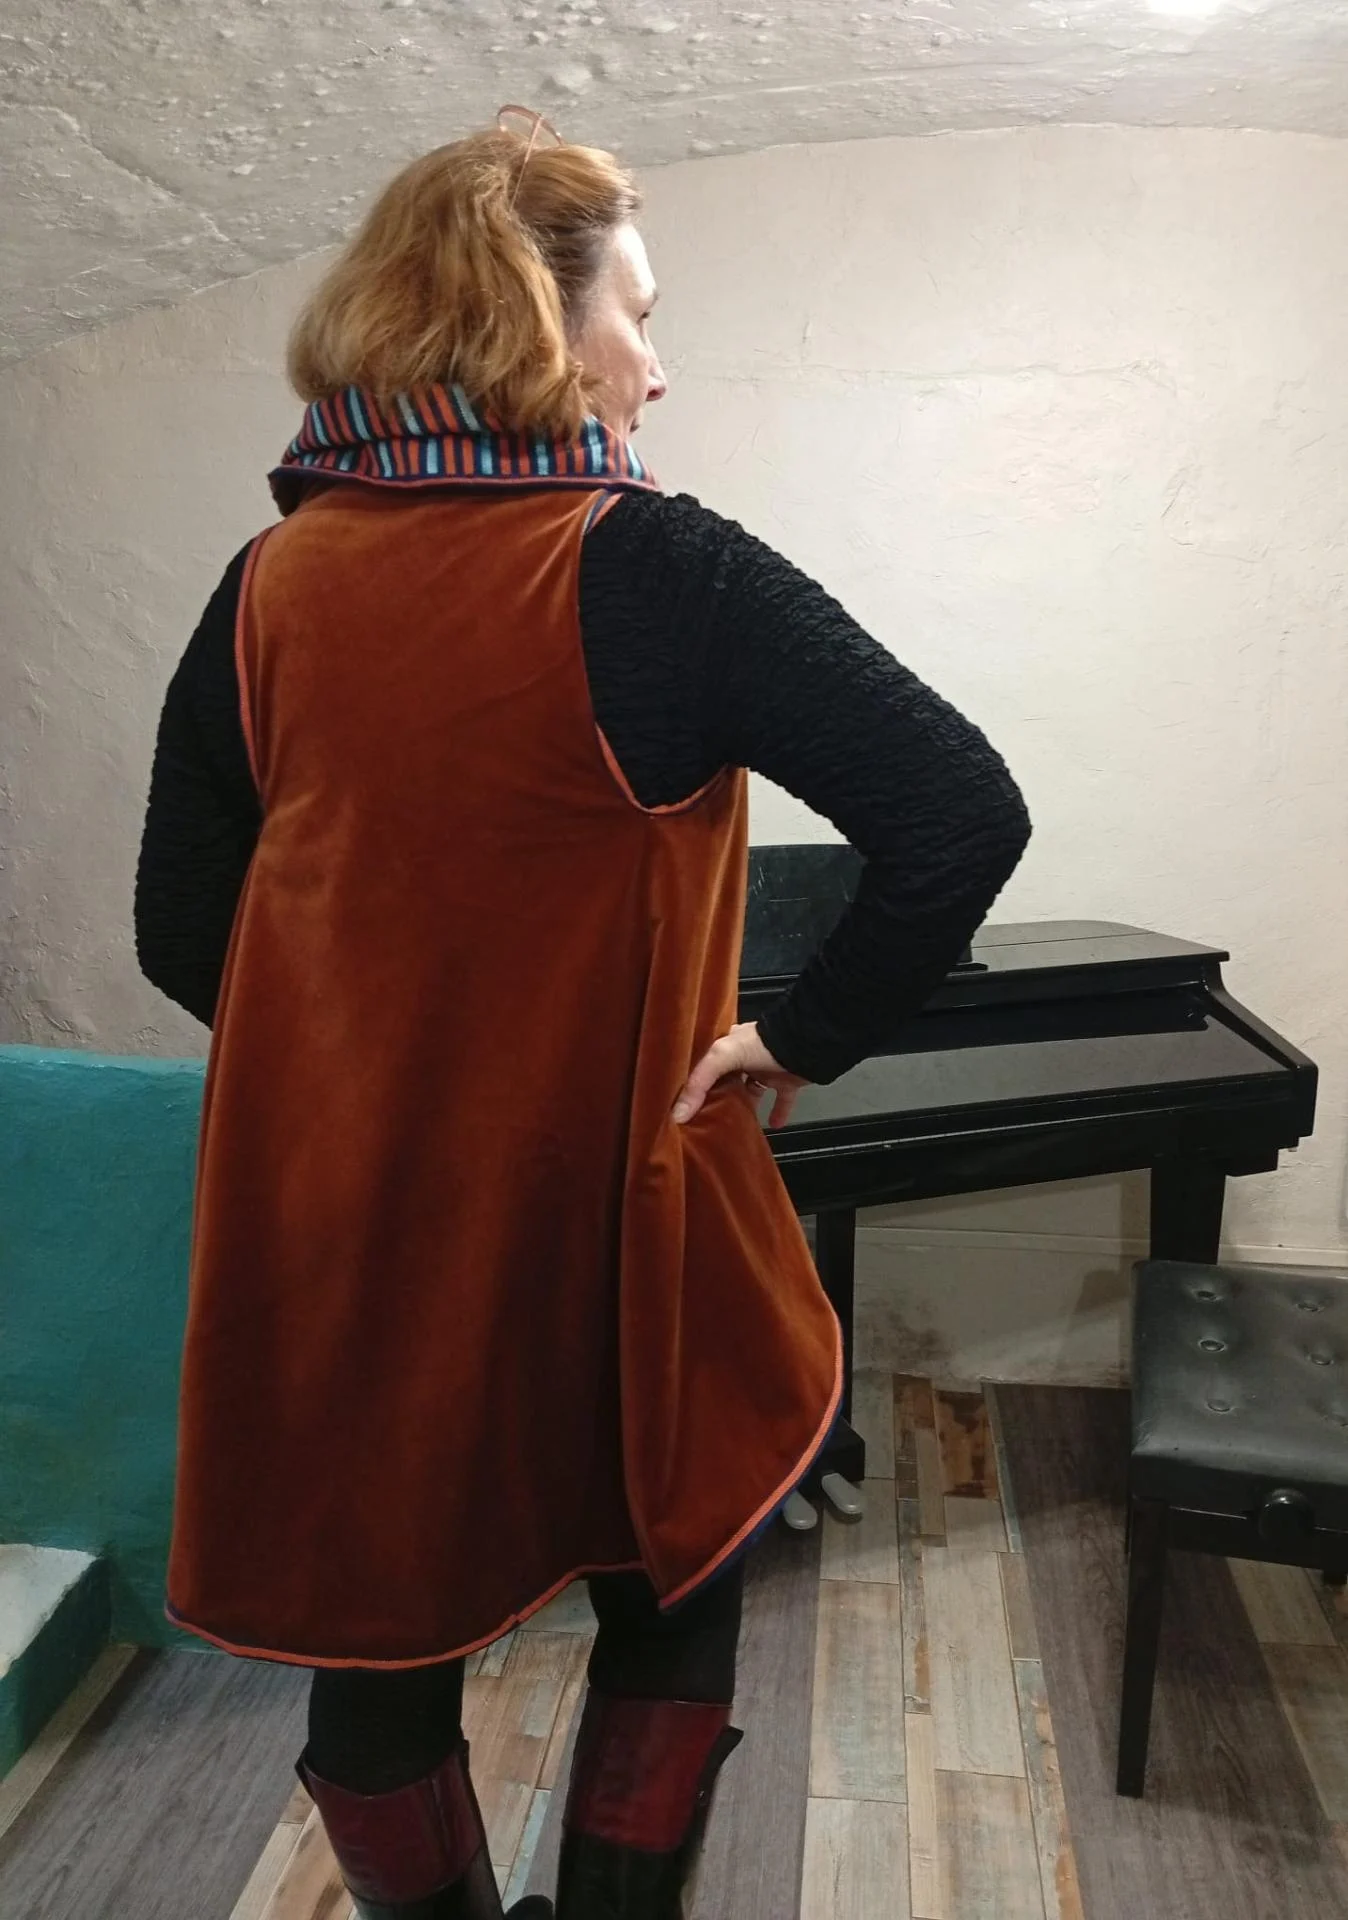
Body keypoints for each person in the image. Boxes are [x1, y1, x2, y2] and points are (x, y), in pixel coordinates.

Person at [135, 107, 1030, 1920]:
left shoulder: (268, 586)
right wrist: (799, 1039)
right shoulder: (655, 565)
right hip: (611, 1206)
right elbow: (959, 810)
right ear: (530, 326)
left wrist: (377, 1051)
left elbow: (180, 932)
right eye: (639, 314)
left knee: (378, 1631)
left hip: (363, 1230)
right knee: (667, 1572)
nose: (657, 366)